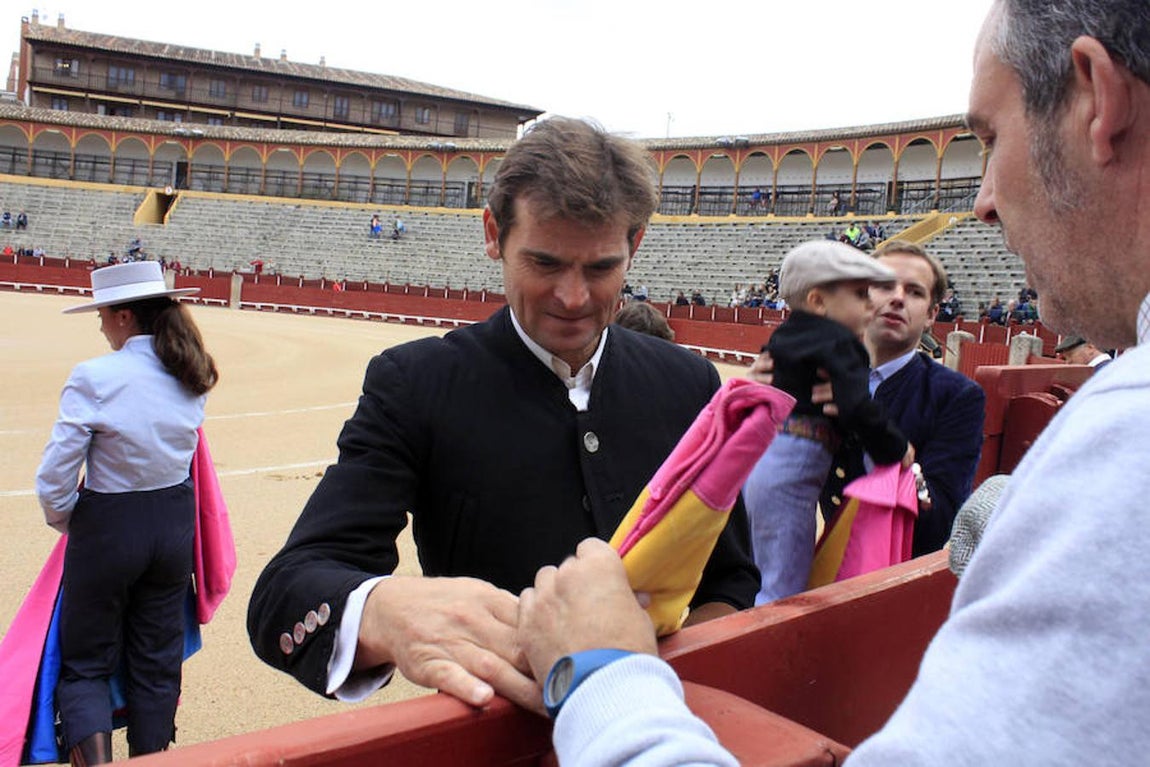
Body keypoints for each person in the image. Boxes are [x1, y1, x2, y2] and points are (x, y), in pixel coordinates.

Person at [515, 1, 1150, 762]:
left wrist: (603, 676)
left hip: (787, 477)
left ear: (1097, 97)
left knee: (776, 562)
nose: (981, 199)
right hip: (803, 475)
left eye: (988, 137)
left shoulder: (1125, 443)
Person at [246, 117, 758, 713]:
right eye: (544, 263)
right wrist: (383, 610)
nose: (573, 297)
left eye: (600, 268)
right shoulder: (416, 383)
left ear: (635, 244)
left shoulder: (689, 383)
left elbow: (731, 579)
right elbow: (285, 593)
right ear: (494, 234)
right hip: (498, 734)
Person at [35, 261, 218, 763]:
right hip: (173, 530)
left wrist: (78, 522)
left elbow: (54, 480)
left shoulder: (95, 376)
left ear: (122, 316)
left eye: (102, 313)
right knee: (156, 665)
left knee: (87, 663)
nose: (98, 324)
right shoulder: (189, 371)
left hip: (110, 528)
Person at [743, 240, 909, 604]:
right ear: (819, 301)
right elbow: (853, 404)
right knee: (783, 582)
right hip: (795, 465)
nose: (872, 304)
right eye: (861, 294)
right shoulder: (840, 341)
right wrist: (893, 448)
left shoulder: (783, 335)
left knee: (758, 564)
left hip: (758, 457)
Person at [820, 240, 985, 557]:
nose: (897, 298)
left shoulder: (957, 396)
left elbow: (937, 525)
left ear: (931, 315)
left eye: (915, 292)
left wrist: (871, 430)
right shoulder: (822, 374)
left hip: (890, 578)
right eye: (884, 285)